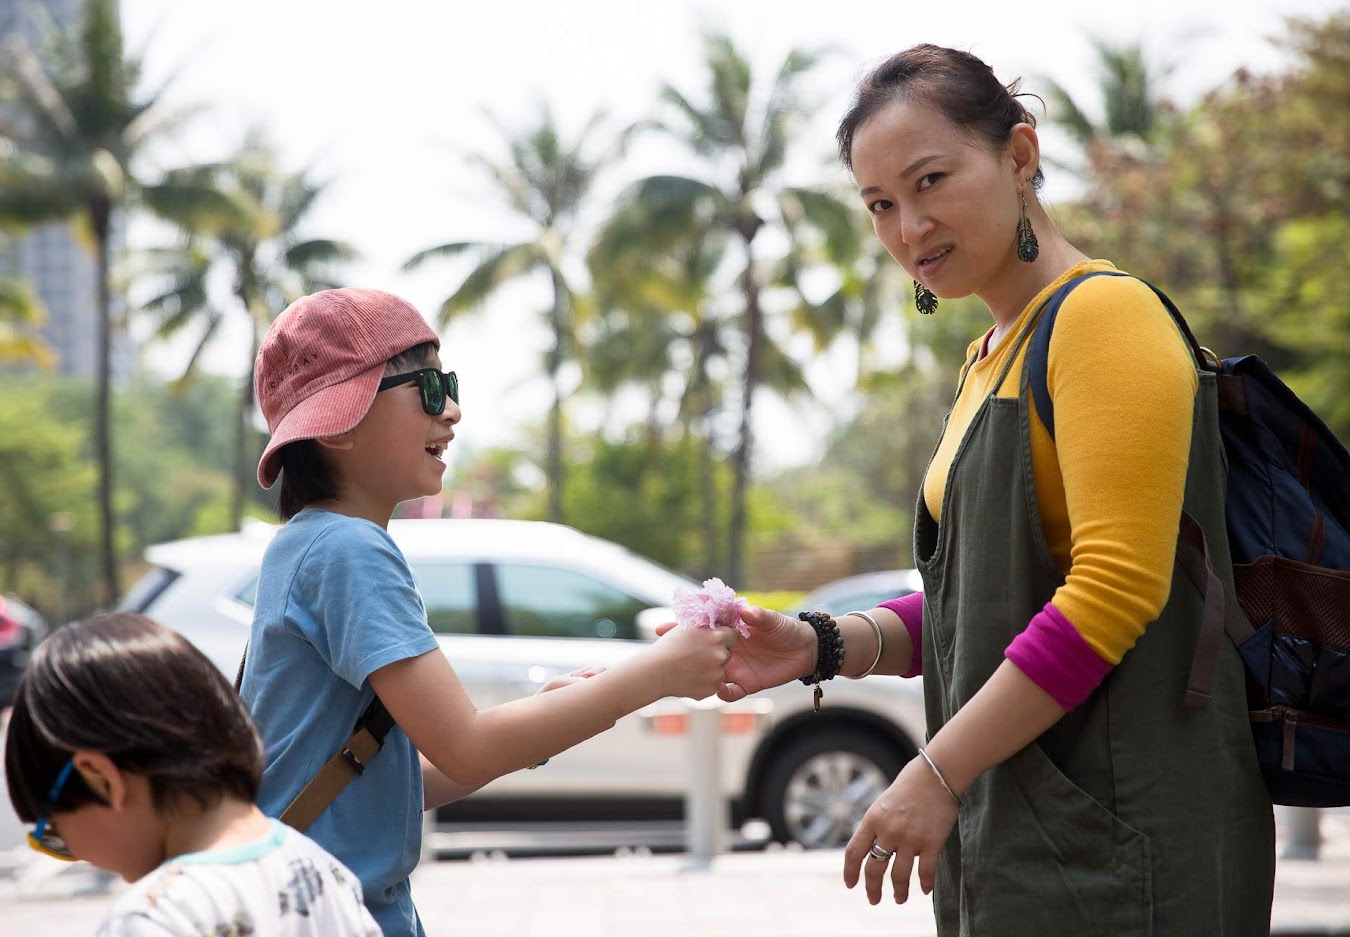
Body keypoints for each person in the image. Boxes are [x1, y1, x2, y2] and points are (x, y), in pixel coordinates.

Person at [698, 44, 1275, 936]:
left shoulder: (1103, 319)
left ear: (1019, 154)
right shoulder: (992, 355)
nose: (908, 228)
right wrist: (816, 644)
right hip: (1021, 845)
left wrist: (933, 771)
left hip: (1128, 847)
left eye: (931, 180)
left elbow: (1113, 593)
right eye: (882, 205)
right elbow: (978, 604)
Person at [239, 286, 737, 937]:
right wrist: (659, 673)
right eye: (426, 387)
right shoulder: (349, 549)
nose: (451, 410)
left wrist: (547, 720)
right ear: (338, 424)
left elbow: (388, 781)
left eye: (449, 382)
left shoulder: (303, 542)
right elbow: (469, 749)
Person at [3, 612, 382, 936]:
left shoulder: (155, 917)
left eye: (54, 836)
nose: (81, 856)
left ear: (101, 780)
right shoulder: (326, 873)